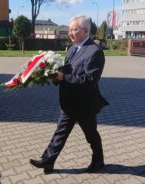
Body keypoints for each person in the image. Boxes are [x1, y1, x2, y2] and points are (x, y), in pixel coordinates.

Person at [30, 15, 109, 174]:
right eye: (69, 29)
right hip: (68, 102)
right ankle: (48, 161)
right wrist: (52, 71)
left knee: (91, 135)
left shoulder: (95, 51)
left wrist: (64, 77)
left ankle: (98, 160)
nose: (70, 33)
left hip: (85, 104)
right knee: (60, 132)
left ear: (86, 30)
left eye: (74, 30)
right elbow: (67, 70)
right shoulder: (72, 47)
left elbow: (89, 79)